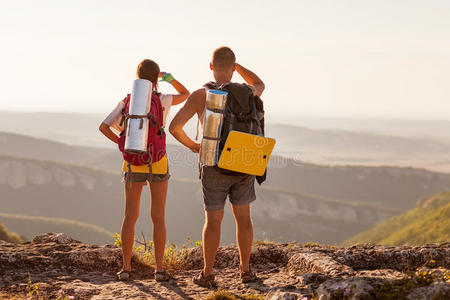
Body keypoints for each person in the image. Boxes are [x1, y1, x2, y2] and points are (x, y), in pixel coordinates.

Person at [169, 47, 265, 287]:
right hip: (244, 160)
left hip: (213, 163)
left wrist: (194, 146)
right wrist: (238, 66)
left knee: (213, 221)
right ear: (234, 68)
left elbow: (174, 127)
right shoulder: (248, 92)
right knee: (244, 218)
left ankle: (208, 274)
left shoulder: (202, 94)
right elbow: (259, 83)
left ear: (210, 66)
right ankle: (245, 271)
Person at [99, 59, 190, 281]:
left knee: (130, 216)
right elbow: (185, 93)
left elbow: (103, 127)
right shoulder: (163, 99)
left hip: (132, 161)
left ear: (137, 76)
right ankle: (159, 270)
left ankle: (126, 269)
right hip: (157, 160)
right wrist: (168, 78)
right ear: (155, 77)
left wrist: (122, 143)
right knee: (158, 216)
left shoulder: (128, 101)